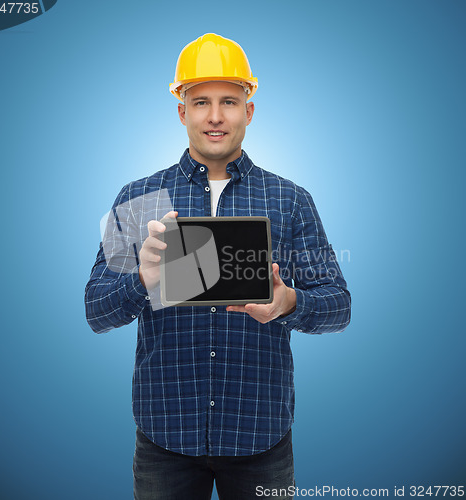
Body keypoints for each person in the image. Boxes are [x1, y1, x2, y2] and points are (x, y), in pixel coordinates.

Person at [85, 33, 351, 500]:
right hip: (164, 438)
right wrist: (142, 282)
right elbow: (96, 311)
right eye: (200, 101)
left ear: (249, 110)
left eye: (229, 101)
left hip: (259, 439)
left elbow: (339, 305)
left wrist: (289, 302)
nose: (214, 116)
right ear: (181, 110)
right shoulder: (139, 198)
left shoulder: (289, 200)